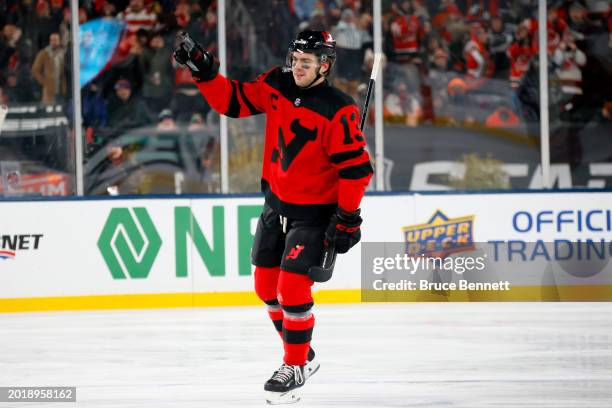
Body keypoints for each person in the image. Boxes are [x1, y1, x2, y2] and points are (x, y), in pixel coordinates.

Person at [174, 30, 373, 403]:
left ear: (324, 66)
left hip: (314, 215)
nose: (297, 67)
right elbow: (232, 101)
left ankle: (294, 364)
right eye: (295, 59)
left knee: (292, 288)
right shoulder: (276, 83)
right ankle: (303, 353)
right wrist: (203, 70)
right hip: (277, 206)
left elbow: (356, 170)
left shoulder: (339, 108)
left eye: (307, 62)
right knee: (266, 288)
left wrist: (347, 217)